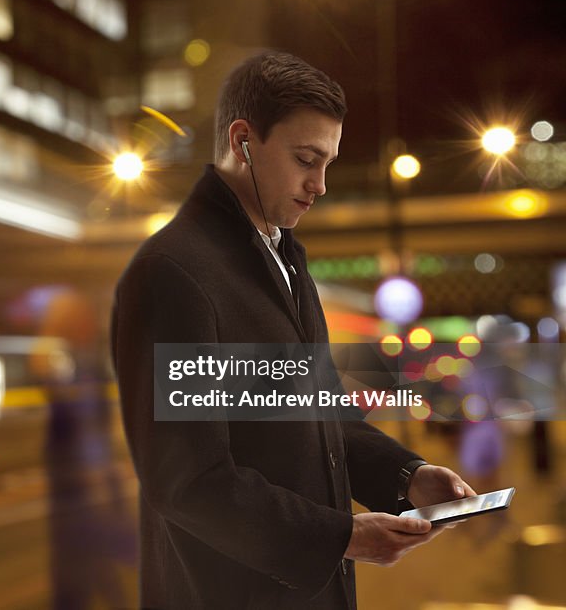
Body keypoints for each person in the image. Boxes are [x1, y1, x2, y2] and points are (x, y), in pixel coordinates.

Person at [110, 51, 476, 609]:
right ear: (243, 142)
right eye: (306, 158)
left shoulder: (285, 260)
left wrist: (409, 476)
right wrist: (342, 536)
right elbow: (189, 479)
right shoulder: (175, 273)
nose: (321, 184)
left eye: (328, 161)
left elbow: (317, 414)